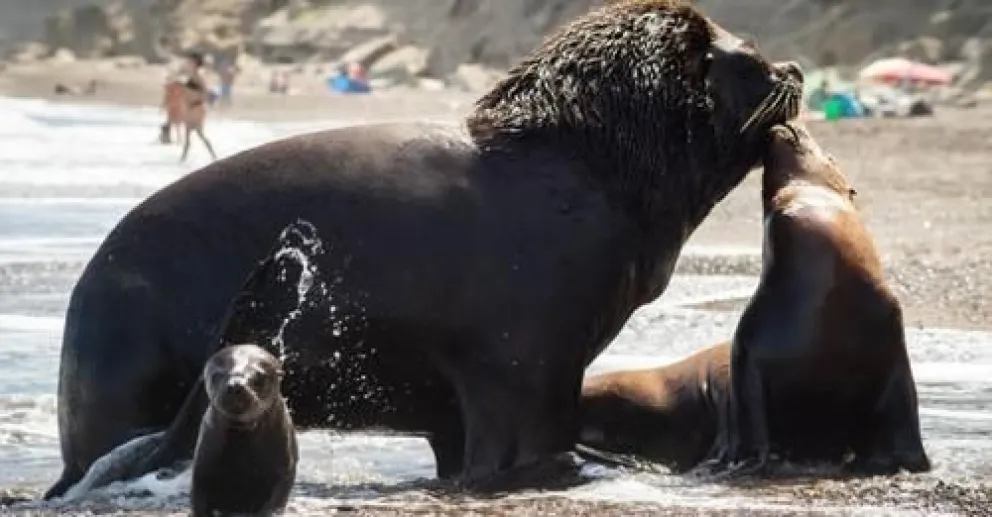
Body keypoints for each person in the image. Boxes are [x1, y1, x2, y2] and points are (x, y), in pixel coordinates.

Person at [180, 52, 218, 162]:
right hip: (190, 108)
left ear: (195, 63)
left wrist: (200, 98)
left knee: (200, 133)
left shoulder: (198, 76)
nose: (187, 64)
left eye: (189, 62)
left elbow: (206, 91)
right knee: (187, 136)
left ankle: (213, 156)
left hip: (197, 108)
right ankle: (182, 159)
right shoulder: (191, 75)